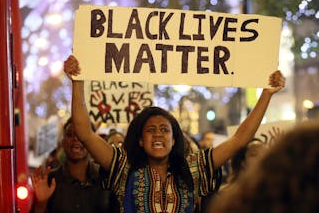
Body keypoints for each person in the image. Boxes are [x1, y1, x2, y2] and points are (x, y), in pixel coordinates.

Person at [64, 54, 285, 213]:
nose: (158, 135)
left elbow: (240, 139)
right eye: (150, 130)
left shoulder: (193, 168)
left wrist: (266, 94)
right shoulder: (123, 167)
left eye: (164, 130)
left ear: (173, 139)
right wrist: (77, 82)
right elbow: (84, 132)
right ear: (140, 141)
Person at [208, 120, 319, 213]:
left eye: (265, 153)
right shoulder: (234, 198)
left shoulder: (287, 195)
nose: (261, 157)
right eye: (255, 154)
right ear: (242, 161)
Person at [30, 118, 111, 213]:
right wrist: (41, 204)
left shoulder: (107, 178)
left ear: (92, 142)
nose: (76, 139)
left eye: (81, 134)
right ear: (62, 142)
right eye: (69, 134)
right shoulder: (50, 180)